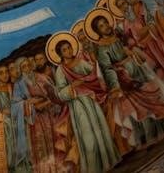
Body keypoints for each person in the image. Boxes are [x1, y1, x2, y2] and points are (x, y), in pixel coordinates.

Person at [86, 10, 164, 151]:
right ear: (98, 31)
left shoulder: (119, 34)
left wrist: (132, 49)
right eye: (101, 26)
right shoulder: (102, 48)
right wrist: (115, 86)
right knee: (138, 109)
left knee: (153, 99)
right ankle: (148, 138)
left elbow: (134, 43)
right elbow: (108, 69)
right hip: (125, 79)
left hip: (139, 69)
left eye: (105, 23)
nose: (106, 27)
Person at [48, 33, 120, 173]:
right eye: (64, 50)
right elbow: (60, 94)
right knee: (87, 135)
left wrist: (93, 66)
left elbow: (94, 74)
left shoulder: (80, 62)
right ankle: (94, 168)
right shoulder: (61, 70)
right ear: (60, 54)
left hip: (91, 100)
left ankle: (109, 161)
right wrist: (72, 86)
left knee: (100, 128)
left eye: (69, 48)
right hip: (78, 105)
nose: (68, 51)